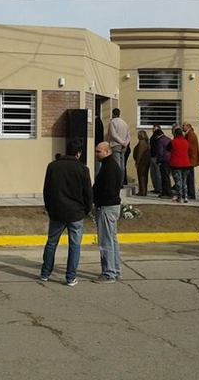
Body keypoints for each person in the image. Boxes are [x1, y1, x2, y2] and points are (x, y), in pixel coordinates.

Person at [40, 138, 93, 287]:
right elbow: (88, 193)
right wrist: (87, 209)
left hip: (57, 211)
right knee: (74, 245)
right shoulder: (83, 169)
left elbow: (46, 190)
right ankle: (70, 277)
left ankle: (45, 273)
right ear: (79, 153)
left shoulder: (52, 166)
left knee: (51, 243)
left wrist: (49, 208)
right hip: (76, 213)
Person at [93, 141, 123, 284]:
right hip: (111, 206)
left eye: (99, 151)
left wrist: (97, 201)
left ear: (107, 152)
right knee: (112, 239)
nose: (96, 154)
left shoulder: (109, 167)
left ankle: (109, 272)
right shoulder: (109, 165)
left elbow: (108, 189)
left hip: (107, 207)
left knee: (106, 241)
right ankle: (115, 270)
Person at [168, 127, 191, 203]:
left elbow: (167, 149)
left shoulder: (173, 142)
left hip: (176, 164)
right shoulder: (186, 142)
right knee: (184, 181)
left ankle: (179, 197)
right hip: (186, 164)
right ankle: (186, 197)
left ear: (175, 134)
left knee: (178, 182)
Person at [106, 108, 131, 175]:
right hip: (124, 146)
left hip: (115, 145)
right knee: (122, 165)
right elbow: (128, 136)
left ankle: (117, 181)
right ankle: (121, 182)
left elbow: (113, 135)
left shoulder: (112, 122)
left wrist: (121, 142)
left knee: (117, 164)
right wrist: (125, 143)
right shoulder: (124, 123)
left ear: (113, 114)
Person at [152, 128, 172, 198]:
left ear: (157, 135)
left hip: (164, 161)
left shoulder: (160, 141)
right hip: (170, 161)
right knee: (167, 177)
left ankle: (167, 193)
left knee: (164, 178)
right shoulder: (168, 139)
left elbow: (160, 152)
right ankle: (166, 192)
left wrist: (158, 161)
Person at [182, 123, 199, 200]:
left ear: (188, 127)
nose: (182, 127)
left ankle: (191, 194)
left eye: (184, 125)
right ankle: (189, 193)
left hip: (190, 159)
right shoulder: (189, 134)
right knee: (188, 177)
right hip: (190, 159)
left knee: (189, 177)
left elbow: (189, 147)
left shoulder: (190, 134)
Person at [133, 130, 151, 196]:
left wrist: (137, 162)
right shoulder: (147, 142)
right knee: (145, 176)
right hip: (146, 162)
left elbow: (140, 153)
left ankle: (142, 191)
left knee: (141, 176)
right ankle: (144, 190)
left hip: (142, 162)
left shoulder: (142, 143)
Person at [149, 125, 162, 195]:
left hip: (157, 157)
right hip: (152, 157)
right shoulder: (152, 137)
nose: (154, 130)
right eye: (153, 129)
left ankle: (159, 188)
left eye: (155, 129)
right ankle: (156, 188)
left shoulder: (159, 137)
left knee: (158, 174)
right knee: (153, 174)